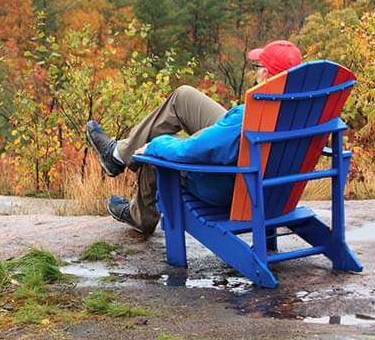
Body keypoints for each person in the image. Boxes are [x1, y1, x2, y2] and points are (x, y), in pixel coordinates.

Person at [86, 40, 303, 235]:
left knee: (155, 152)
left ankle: (140, 215)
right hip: (270, 187)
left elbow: (192, 150)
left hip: (231, 187)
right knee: (184, 97)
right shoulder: (306, 113)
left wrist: (156, 145)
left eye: (257, 67)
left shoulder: (250, 117)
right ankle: (117, 155)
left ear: (265, 74)